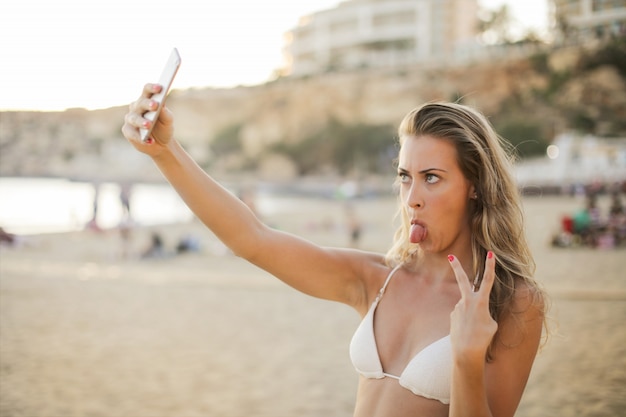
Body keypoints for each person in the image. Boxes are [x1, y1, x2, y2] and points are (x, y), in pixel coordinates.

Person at [122, 84, 548, 417]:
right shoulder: (378, 279)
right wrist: (165, 153)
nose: (411, 198)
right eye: (405, 176)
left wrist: (468, 360)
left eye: (432, 178)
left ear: (475, 186)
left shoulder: (512, 302)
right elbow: (252, 239)